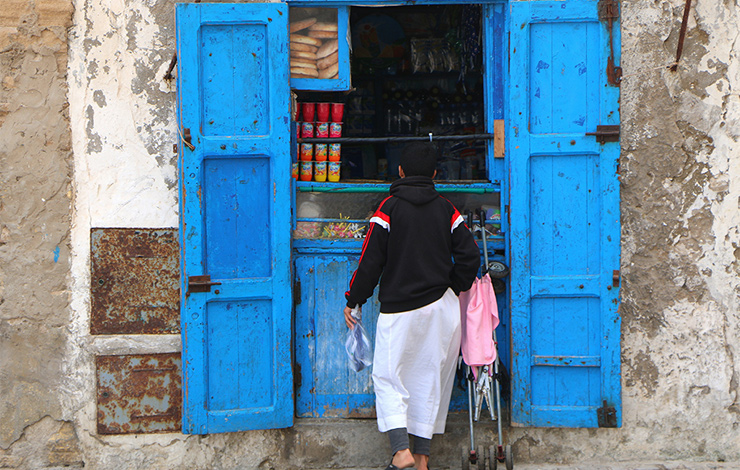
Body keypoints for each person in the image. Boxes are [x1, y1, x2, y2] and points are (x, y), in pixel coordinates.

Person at [343, 142, 480, 470]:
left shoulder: (388, 209)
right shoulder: (447, 209)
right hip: (442, 309)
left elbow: (370, 263)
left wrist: (354, 300)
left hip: (401, 309)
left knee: (388, 377)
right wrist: (454, 285)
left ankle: (401, 451)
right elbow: (471, 256)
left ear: (400, 172)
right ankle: (421, 459)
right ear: (435, 174)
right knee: (430, 380)